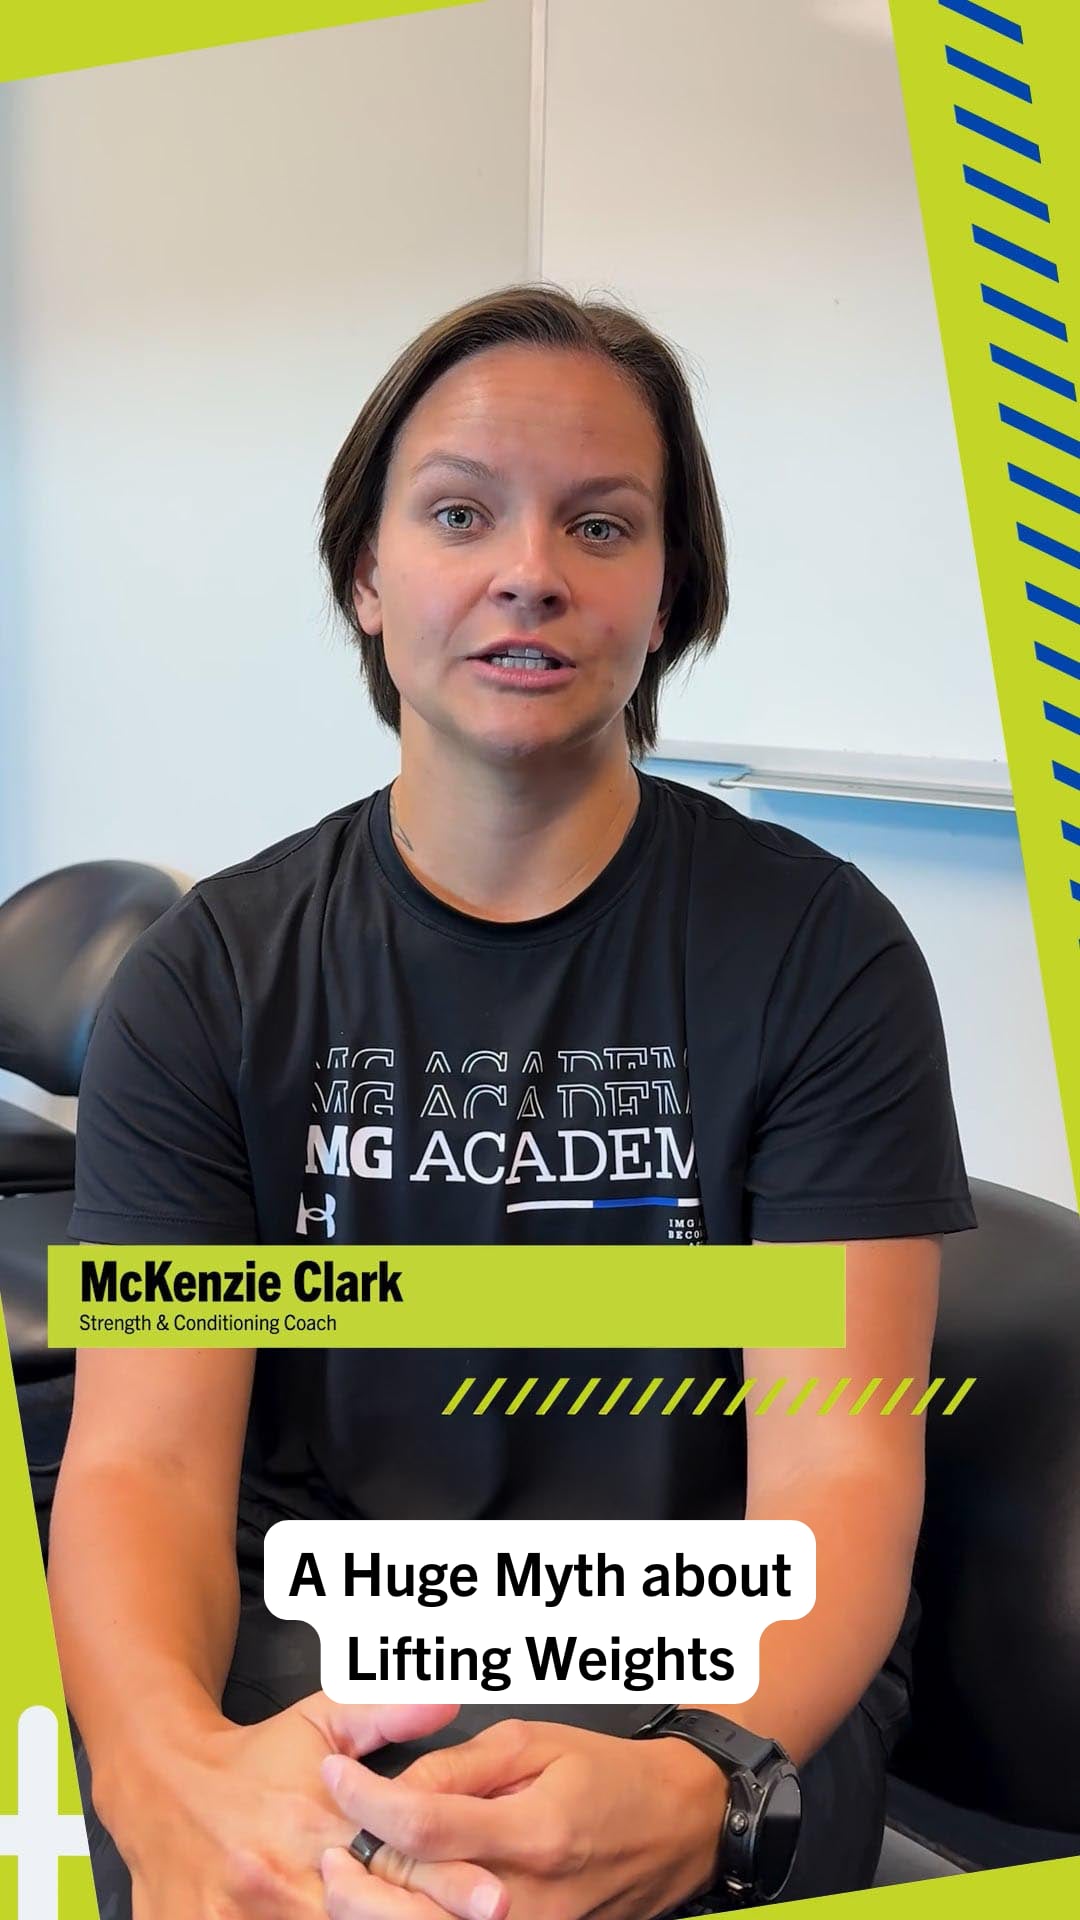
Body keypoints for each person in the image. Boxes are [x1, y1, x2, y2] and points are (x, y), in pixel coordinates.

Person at [50, 283, 976, 1920]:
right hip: (321, 1657)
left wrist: (705, 1771)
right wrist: (162, 1772)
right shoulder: (207, 981)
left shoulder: (824, 957)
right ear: (367, 573)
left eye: (601, 525)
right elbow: (143, 1466)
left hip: (713, 1673)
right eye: (460, 513)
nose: (528, 571)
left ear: (669, 592)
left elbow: (838, 1474)